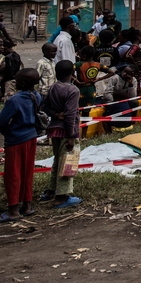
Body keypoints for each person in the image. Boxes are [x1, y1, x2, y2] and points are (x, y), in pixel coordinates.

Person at [0, 68, 42, 223]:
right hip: (31, 137)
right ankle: (27, 205)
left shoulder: (14, 100)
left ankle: (13, 210)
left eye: (17, 80)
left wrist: (8, 132)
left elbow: (2, 121)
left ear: (22, 83)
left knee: (13, 174)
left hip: (16, 140)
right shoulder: (36, 96)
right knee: (27, 172)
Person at [41, 60, 81, 209]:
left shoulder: (53, 87)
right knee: (68, 162)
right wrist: (71, 136)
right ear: (73, 73)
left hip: (54, 129)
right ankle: (61, 197)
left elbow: (44, 106)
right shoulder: (73, 90)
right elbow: (71, 115)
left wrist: (56, 115)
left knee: (58, 160)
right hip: (67, 132)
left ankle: (51, 190)